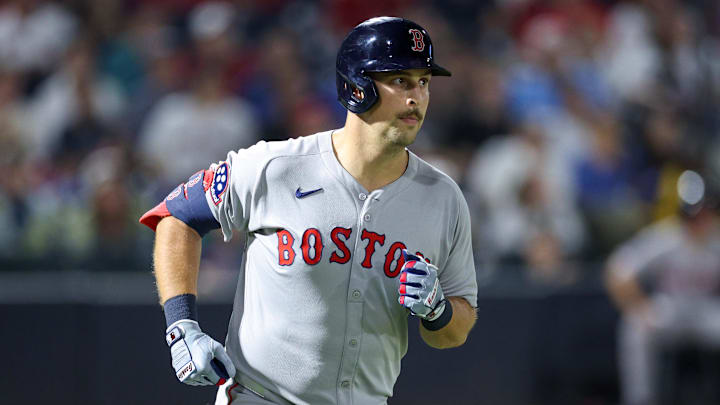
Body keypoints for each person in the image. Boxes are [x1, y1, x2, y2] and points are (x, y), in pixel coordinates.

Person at [139, 16, 478, 405]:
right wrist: (181, 326)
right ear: (356, 86)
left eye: (424, 82)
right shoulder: (278, 165)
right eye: (400, 80)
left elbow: (457, 328)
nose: (416, 97)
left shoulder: (443, 197)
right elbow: (177, 215)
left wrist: (438, 311)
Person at [605, 170, 720, 405]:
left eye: (704, 212)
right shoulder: (667, 237)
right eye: (693, 214)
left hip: (706, 311)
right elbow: (617, 269)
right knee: (635, 326)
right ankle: (640, 399)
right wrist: (638, 305)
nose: (699, 220)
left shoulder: (716, 239)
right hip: (671, 308)